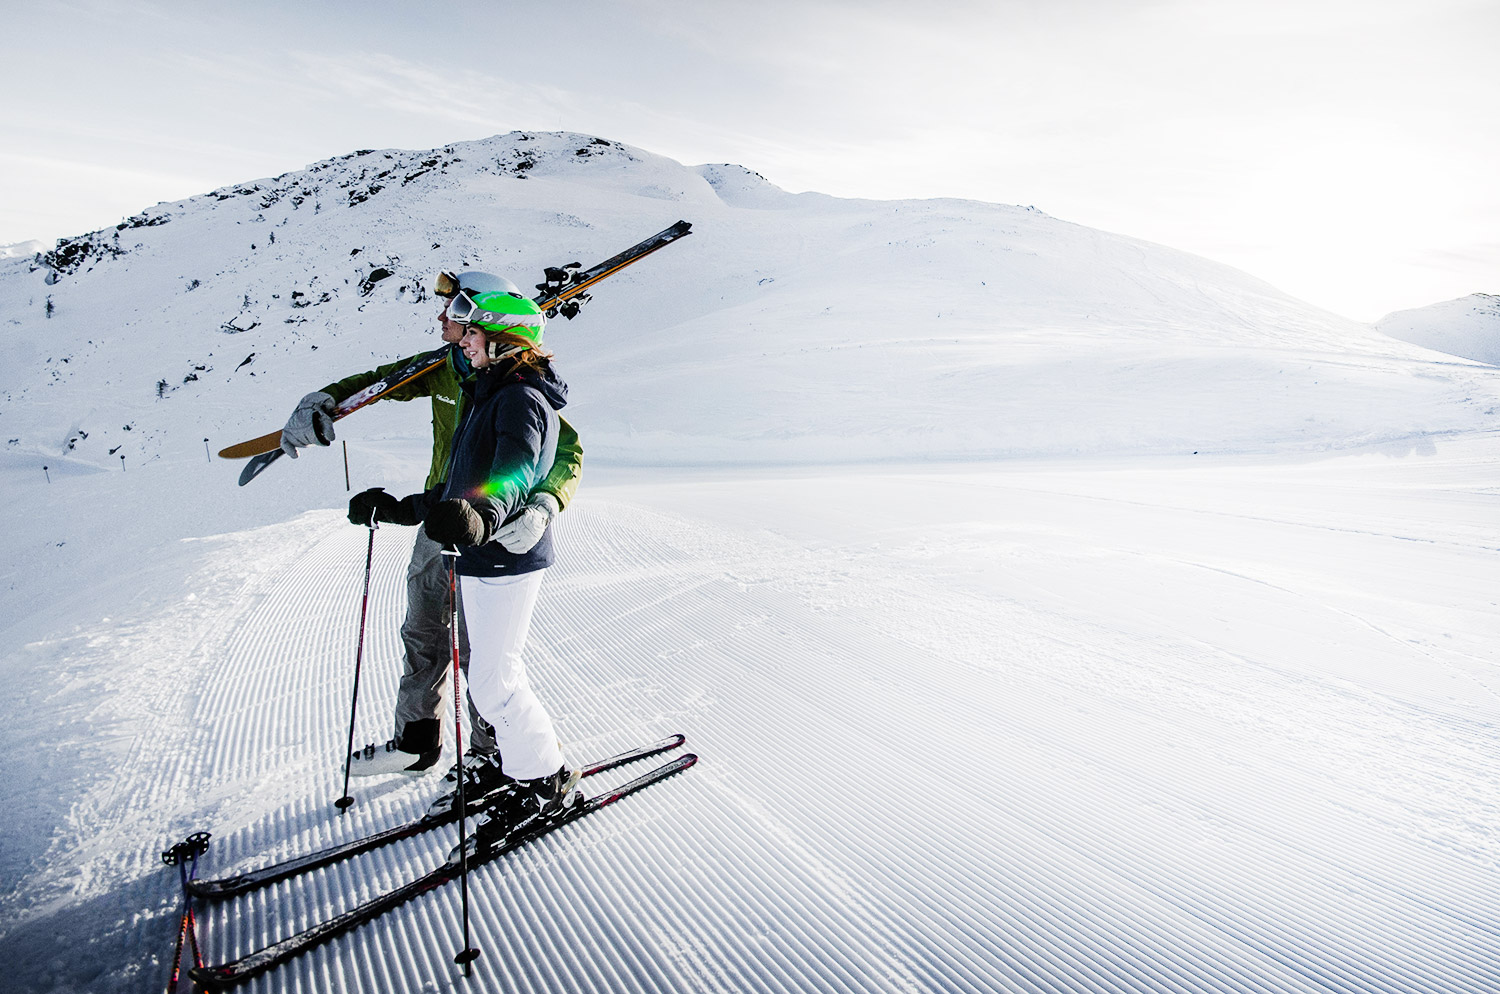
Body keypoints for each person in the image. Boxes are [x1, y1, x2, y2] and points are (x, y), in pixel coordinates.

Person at [278, 271, 582, 794]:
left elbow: (558, 449)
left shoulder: (519, 390)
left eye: (456, 314)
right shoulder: (452, 371)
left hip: (486, 526)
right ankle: (418, 738)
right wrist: (325, 400)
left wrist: (541, 503)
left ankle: (498, 756)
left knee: (484, 659)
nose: (445, 322)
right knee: (423, 629)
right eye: (449, 314)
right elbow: (381, 381)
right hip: (441, 514)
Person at [349, 283, 578, 840]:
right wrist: (401, 509)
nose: (464, 342)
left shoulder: (520, 397)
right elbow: (459, 482)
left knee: (496, 679)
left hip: (504, 554)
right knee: (490, 678)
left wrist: (482, 515)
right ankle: (520, 769)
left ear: (501, 339)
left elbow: (515, 473)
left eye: (471, 331)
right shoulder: (487, 393)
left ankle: (544, 778)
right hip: (480, 552)